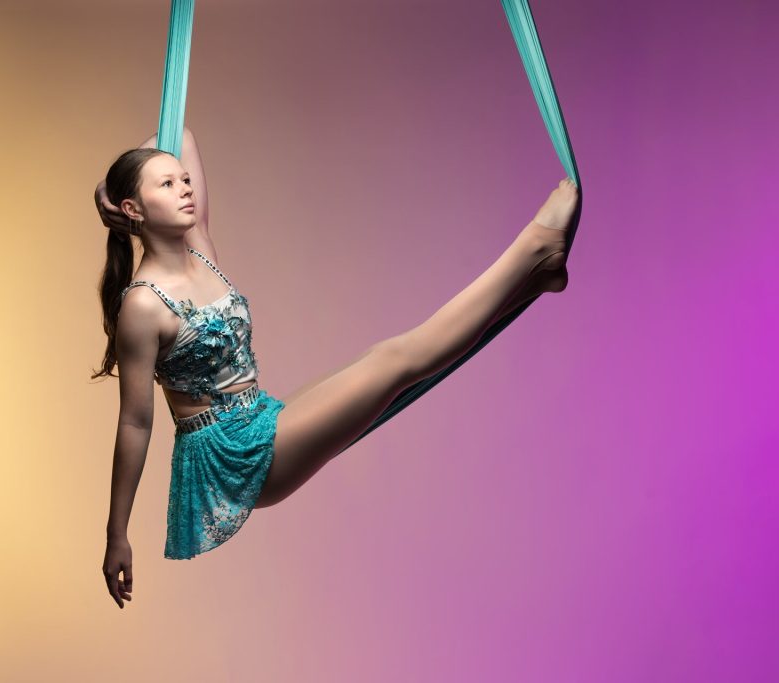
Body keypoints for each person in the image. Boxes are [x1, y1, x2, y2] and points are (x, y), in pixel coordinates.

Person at [93, 127, 578, 608]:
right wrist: (118, 534)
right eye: (167, 184)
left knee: (378, 358)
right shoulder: (143, 305)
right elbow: (135, 423)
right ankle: (537, 247)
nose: (185, 189)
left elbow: (180, 133)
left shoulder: (200, 251)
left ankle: (536, 279)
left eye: (184, 180)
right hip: (233, 456)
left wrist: (106, 189)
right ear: (133, 209)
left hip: (260, 415)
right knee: (394, 362)